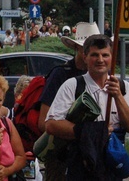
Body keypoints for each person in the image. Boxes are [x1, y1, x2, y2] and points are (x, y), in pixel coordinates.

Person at [45, 34, 129, 181]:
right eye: (94, 55)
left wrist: (117, 96)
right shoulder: (72, 86)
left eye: (105, 55)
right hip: (80, 165)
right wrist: (89, 130)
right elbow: (51, 125)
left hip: (112, 166)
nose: (100, 60)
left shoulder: (124, 88)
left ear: (112, 58)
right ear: (85, 57)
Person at [36, 21, 95, 181]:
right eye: (87, 48)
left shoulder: (101, 78)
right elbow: (44, 121)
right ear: (77, 48)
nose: (91, 55)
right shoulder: (60, 75)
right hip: (61, 155)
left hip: (91, 155)